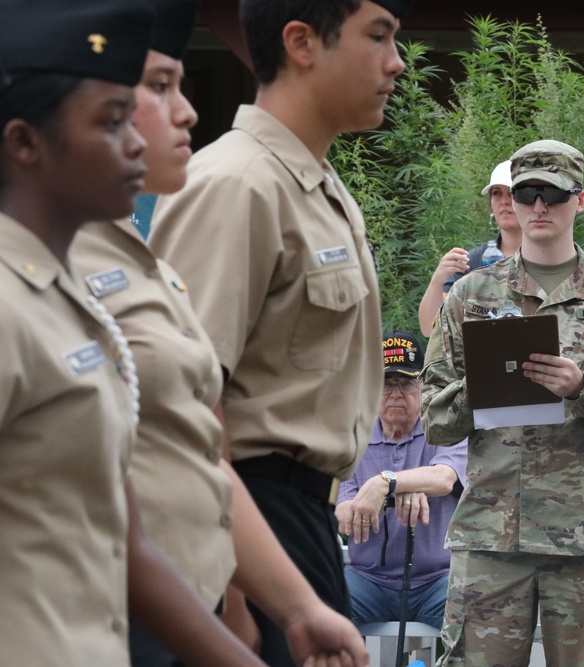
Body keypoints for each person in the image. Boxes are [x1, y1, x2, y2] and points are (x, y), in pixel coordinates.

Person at [67, 2, 369, 666]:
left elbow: (189, 450)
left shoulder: (125, 260)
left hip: (190, 579)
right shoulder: (31, 281)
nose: (187, 113)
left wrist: (287, 608)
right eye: (153, 88)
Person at [0, 2, 293, 665]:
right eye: (111, 122)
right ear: (24, 142)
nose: (136, 139)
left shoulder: (65, 292)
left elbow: (128, 532)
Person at [149, 1, 411, 664]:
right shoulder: (237, 184)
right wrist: (233, 594)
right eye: (377, 37)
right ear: (300, 42)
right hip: (247, 529)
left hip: (304, 526)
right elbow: (180, 412)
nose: (396, 63)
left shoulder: (317, 185)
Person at [420, 139, 584, 667]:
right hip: (491, 537)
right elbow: (434, 423)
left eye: (552, 195)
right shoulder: (469, 296)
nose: (537, 207)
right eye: (525, 192)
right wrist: (482, 383)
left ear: (579, 201)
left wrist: (583, 389)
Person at [336, 331, 467, 630]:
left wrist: (386, 483)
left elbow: (444, 478)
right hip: (367, 580)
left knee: (474, 619)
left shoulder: (444, 429)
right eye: (386, 384)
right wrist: (406, 489)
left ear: (423, 387)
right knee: (321, 617)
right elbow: (344, 514)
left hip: (439, 580)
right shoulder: (352, 437)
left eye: (406, 384)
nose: (396, 394)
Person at [417, 160, 520, 336]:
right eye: (496, 193)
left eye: (511, 192)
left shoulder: (547, 258)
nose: (504, 201)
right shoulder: (473, 262)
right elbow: (431, 329)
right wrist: (438, 280)